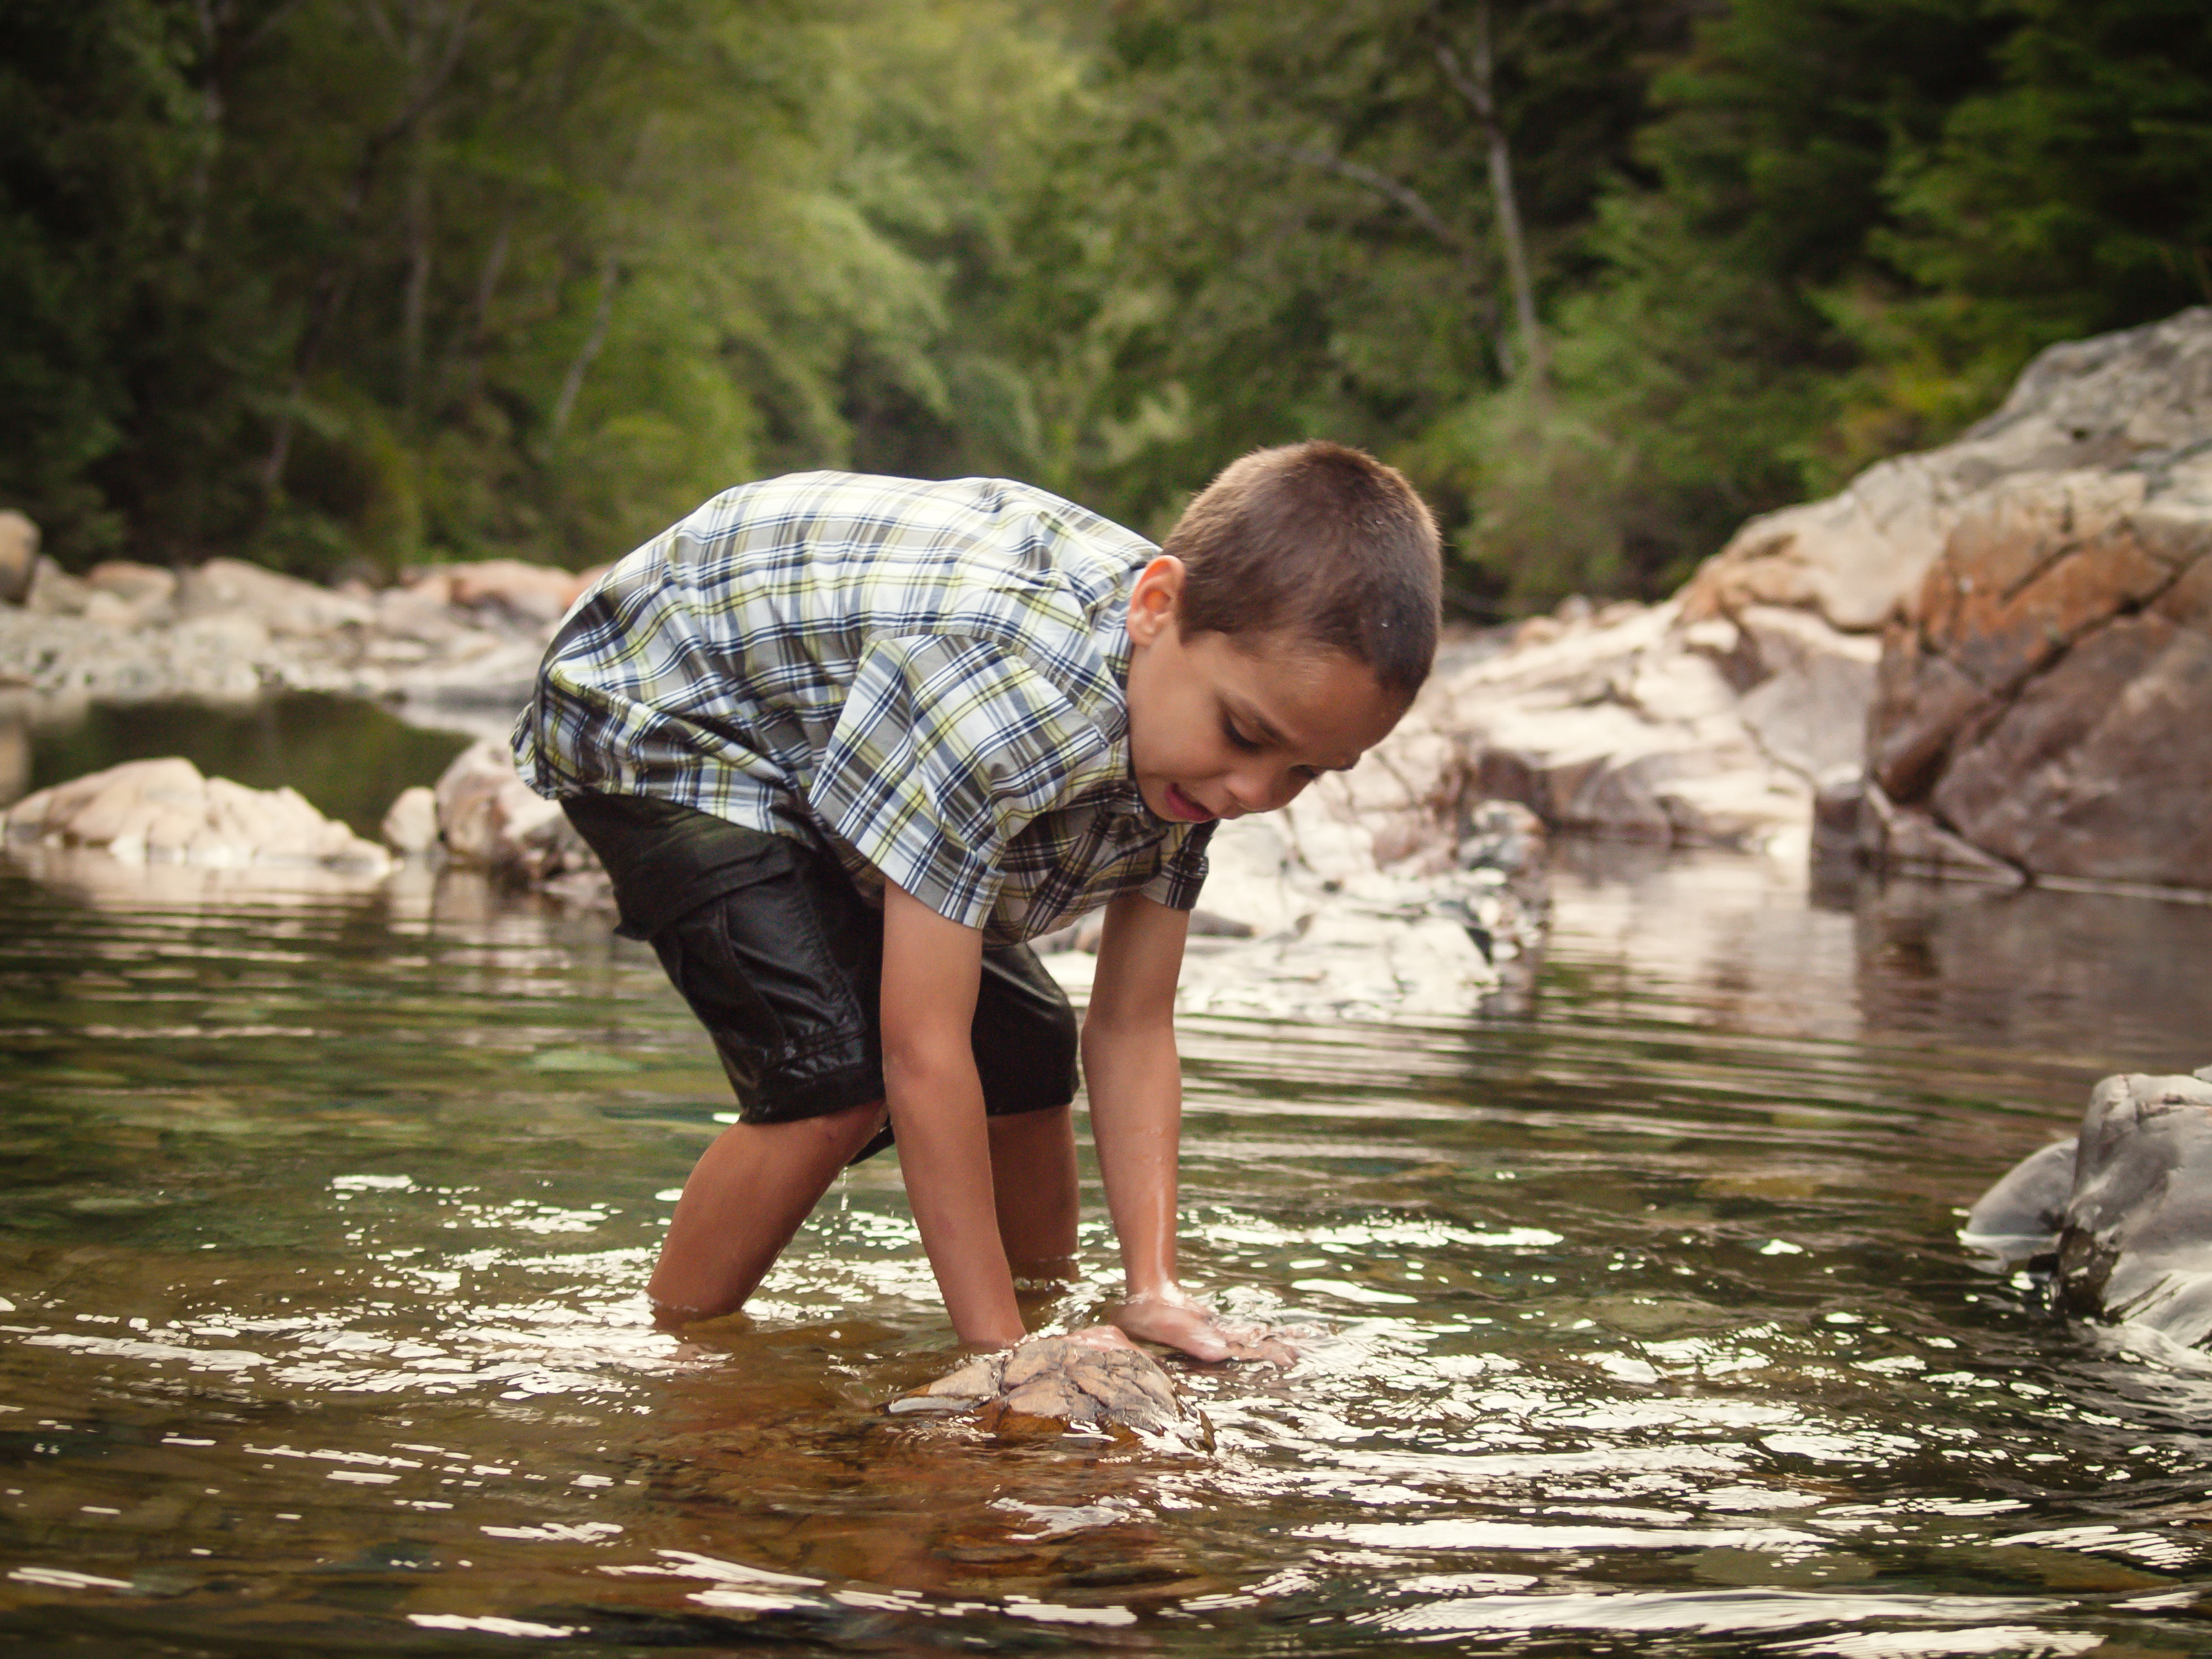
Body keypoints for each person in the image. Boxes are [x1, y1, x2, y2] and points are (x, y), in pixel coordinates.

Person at [512, 441, 1441, 1362]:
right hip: (674, 705)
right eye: (1244, 737)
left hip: (838, 727)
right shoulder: (999, 699)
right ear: (1157, 608)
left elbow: (1131, 1025)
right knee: (832, 1075)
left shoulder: (1205, 727)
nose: (1254, 792)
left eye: (1307, 772)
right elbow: (921, 1051)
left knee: (1027, 1051)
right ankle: (678, 1357)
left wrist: (1153, 1287)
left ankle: (1049, 1312)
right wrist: (997, 1367)